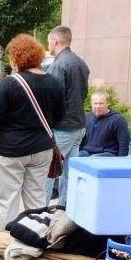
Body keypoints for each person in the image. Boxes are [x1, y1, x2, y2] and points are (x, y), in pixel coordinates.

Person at [0, 34, 65, 227]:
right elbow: (59, 118)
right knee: (36, 199)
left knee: (7, 201)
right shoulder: (54, 83)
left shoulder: (10, 83)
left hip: (10, 151)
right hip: (42, 149)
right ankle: (35, 239)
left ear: (16, 57)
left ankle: (7, 244)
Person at [46, 25, 90, 205]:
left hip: (62, 127)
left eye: (49, 41)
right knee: (69, 172)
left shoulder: (58, 65)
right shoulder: (81, 63)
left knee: (47, 172)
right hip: (79, 125)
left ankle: (39, 211)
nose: (48, 44)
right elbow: (83, 94)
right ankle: (64, 210)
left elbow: (52, 98)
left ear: (55, 40)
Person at [79, 90, 130, 157]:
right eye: (95, 103)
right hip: (87, 152)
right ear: (91, 103)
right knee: (75, 157)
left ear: (108, 104)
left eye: (101, 103)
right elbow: (81, 139)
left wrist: (121, 162)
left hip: (109, 153)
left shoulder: (117, 119)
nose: (98, 106)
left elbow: (124, 143)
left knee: (93, 159)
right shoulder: (87, 117)